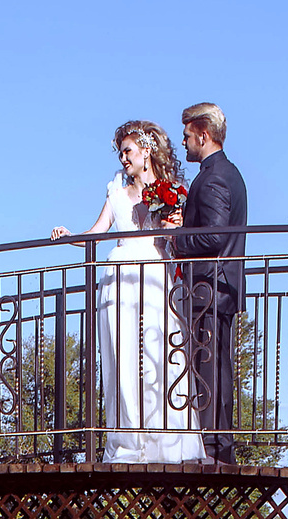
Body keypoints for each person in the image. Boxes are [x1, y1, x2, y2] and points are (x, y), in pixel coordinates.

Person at [51, 121, 202, 464]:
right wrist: (69, 235)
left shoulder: (171, 190)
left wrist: (170, 227)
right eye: (120, 152)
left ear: (146, 151)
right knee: (122, 357)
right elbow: (96, 231)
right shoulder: (116, 191)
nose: (123, 158)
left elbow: (174, 239)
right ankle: (129, 438)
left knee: (157, 352)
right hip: (118, 278)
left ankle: (166, 438)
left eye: (128, 150)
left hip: (154, 276)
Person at [165, 102, 247, 464]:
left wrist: (177, 237)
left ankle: (216, 449)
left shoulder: (213, 177)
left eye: (186, 136)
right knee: (215, 366)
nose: (184, 143)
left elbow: (213, 237)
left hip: (210, 287)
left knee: (210, 368)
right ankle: (217, 446)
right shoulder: (228, 173)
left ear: (203, 134)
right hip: (219, 286)